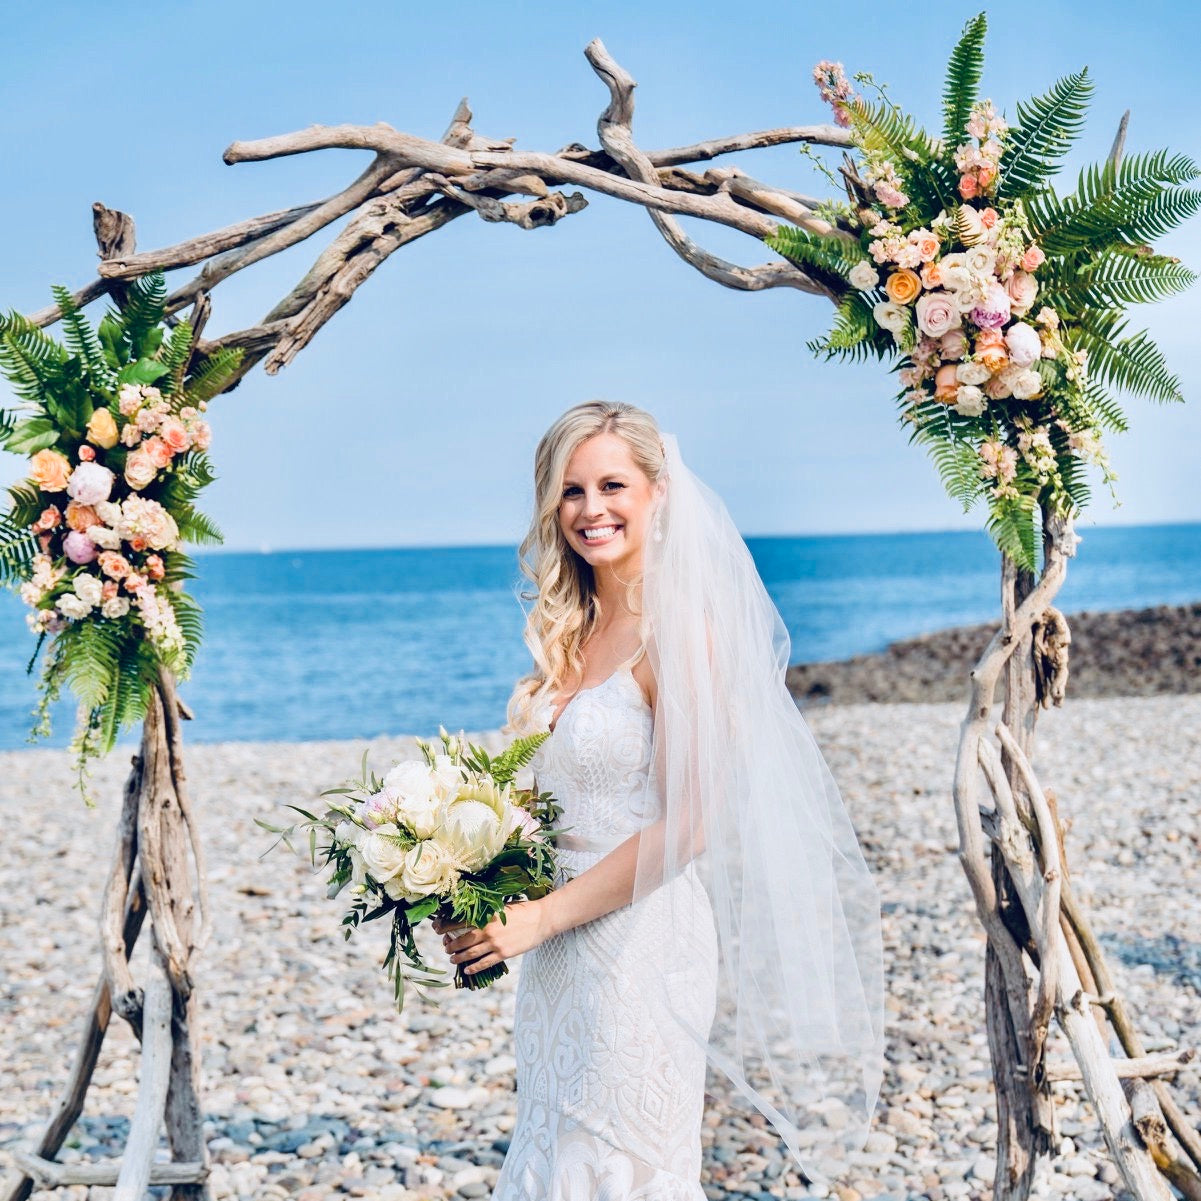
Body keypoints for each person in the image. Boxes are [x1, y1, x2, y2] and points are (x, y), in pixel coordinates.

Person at [435, 401, 884, 1197]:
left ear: (658, 491)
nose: (589, 509)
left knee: (618, 1160)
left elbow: (692, 823)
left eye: (612, 483)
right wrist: (472, 886)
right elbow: (550, 809)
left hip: (641, 943)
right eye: (570, 490)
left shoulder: (680, 628)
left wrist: (539, 917)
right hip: (556, 955)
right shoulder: (571, 630)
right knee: (551, 1144)